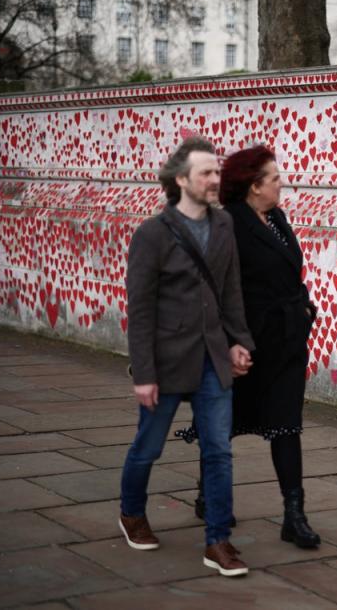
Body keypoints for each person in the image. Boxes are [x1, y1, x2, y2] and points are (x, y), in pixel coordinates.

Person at [120, 136, 255, 577]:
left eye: (217, 172)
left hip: (213, 359)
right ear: (181, 180)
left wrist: (240, 342)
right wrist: (144, 374)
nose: (216, 179)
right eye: (207, 173)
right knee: (149, 447)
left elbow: (230, 290)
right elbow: (139, 310)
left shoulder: (224, 226)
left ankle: (217, 541)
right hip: (165, 361)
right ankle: (132, 513)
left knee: (218, 451)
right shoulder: (151, 234)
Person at [216, 144, 321, 549]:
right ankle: (211, 496)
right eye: (274, 177)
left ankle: (294, 515)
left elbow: (287, 270)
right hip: (247, 342)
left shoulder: (277, 217)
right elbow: (220, 288)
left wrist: (305, 306)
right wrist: (230, 343)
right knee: (223, 423)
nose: (282, 183)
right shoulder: (227, 224)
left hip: (287, 339)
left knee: (286, 425)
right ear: (253, 185)